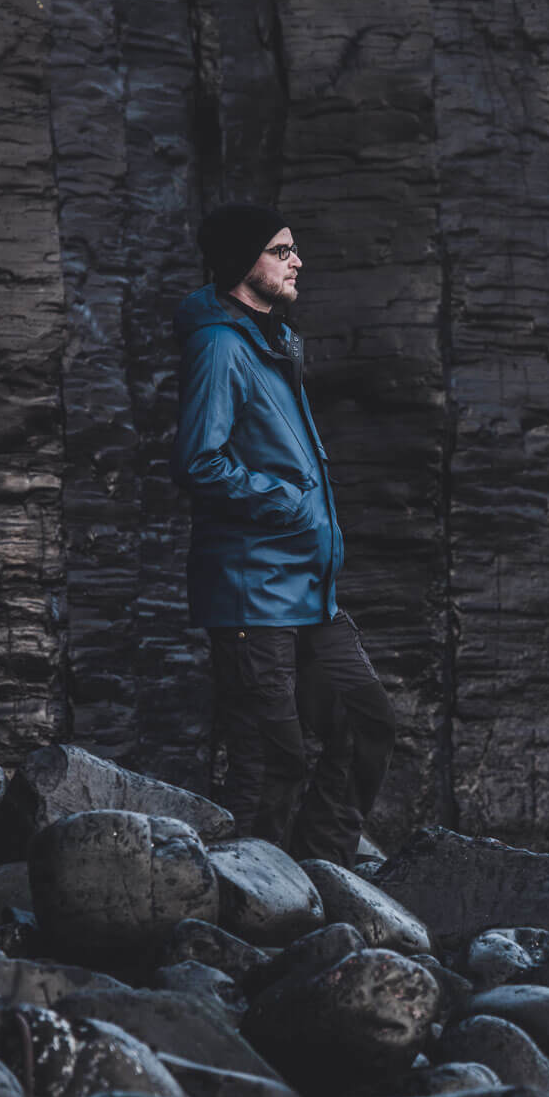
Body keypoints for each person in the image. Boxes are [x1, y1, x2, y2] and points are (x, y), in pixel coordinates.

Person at [171, 203, 396, 865]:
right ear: (245, 262)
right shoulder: (219, 347)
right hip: (252, 590)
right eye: (280, 250)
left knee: (365, 720)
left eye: (292, 248)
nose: (297, 260)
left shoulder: (272, 341)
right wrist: (288, 505)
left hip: (306, 586)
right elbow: (197, 461)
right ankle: (249, 911)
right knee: (272, 760)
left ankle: (318, 872)